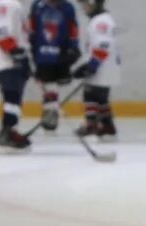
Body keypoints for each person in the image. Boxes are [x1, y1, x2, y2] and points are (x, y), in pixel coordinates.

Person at [0, 0, 36, 149]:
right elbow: (2, 31)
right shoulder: (6, 4)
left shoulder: (10, 4)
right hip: (4, 58)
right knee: (12, 95)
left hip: (9, 58)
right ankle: (8, 131)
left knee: (14, 96)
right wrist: (13, 51)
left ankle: (10, 130)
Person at [27, 0, 81, 134]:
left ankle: (50, 112)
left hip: (61, 53)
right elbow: (31, 29)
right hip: (42, 54)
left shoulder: (68, 7)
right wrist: (29, 48)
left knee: (54, 84)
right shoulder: (37, 6)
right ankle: (50, 112)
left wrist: (74, 47)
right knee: (48, 84)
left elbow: (73, 29)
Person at [71, 0, 118, 141]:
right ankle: (107, 126)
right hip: (108, 66)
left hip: (102, 66)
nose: (83, 8)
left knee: (90, 95)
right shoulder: (103, 19)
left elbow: (104, 44)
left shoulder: (100, 21)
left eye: (85, 4)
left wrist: (92, 65)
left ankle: (91, 123)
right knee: (101, 98)